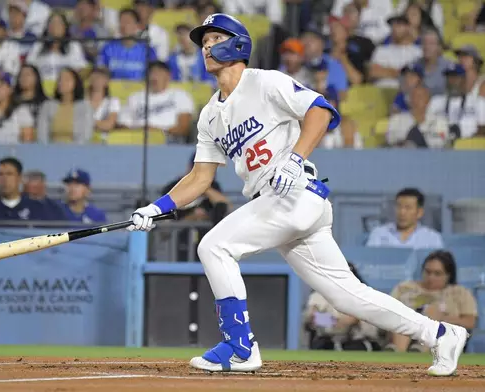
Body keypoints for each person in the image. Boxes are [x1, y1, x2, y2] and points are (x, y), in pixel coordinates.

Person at [127, 13, 468, 376]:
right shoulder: (210, 114)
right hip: (277, 204)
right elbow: (200, 177)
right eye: (204, 43)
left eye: (214, 39)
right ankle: (440, 333)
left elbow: (321, 112)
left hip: (296, 194)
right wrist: (156, 208)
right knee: (346, 296)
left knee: (214, 246)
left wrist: (295, 158)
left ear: (238, 43)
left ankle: (241, 346)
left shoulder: (265, 82)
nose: (206, 48)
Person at [387, 251, 477, 352]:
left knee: (432, 311)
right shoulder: (404, 288)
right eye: (428, 272)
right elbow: (387, 310)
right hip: (402, 331)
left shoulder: (460, 293)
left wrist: (441, 318)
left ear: (448, 275)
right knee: (403, 315)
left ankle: (420, 350)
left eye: (437, 274)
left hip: (440, 337)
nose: (431, 277)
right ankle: (399, 354)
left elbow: (470, 322)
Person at [304, 262, 381, 351]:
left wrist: (352, 320)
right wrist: (335, 321)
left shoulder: (365, 295)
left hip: (358, 343)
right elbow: (313, 318)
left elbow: (369, 328)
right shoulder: (320, 294)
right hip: (327, 343)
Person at [118, 61, 194, 144]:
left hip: (169, 141)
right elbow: (123, 126)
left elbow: (183, 128)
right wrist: (140, 131)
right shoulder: (134, 98)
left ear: (168, 76)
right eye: (152, 73)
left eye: (159, 73)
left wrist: (158, 132)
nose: (154, 76)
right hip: (138, 141)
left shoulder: (180, 95)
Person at [0, 157, 55, 221]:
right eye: (0, 174)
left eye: (9, 174)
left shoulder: (37, 209)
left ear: (19, 178)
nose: (4, 179)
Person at [367, 188, 444, 249]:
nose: (402, 212)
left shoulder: (432, 238)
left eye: (408, 208)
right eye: (399, 207)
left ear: (420, 212)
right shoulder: (379, 233)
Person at [25, 12, 88, 82]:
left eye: (58, 24)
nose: (55, 27)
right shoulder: (38, 46)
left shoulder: (74, 46)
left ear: (65, 27)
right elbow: (29, 68)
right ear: (47, 28)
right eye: (52, 24)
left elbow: (81, 69)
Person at [37, 67, 94, 144]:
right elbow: (42, 136)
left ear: (76, 83)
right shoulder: (47, 106)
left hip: (76, 151)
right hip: (50, 150)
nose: (62, 82)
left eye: (67, 79)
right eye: (60, 79)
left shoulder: (85, 107)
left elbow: (85, 136)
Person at [13, 64, 48, 128]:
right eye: (21, 75)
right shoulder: (11, 102)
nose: (24, 78)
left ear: (36, 78)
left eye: (28, 74)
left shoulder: (46, 102)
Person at [87, 67, 120, 134]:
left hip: (104, 140)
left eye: (99, 78)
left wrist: (88, 123)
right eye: (93, 78)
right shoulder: (82, 101)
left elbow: (109, 125)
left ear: (106, 81)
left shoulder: (113, 101)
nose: (96, 81)